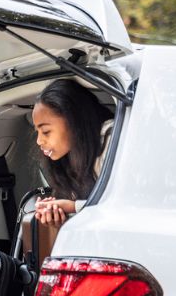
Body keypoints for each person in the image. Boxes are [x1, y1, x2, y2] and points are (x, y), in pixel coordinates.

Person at [31, 78, 114, 228]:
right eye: (37, 132)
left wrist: (73, 207)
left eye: (46, 131)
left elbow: (119, 207)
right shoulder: (69, 158)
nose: (39, 141)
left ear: (73, 119)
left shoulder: (111, 140)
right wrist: (59, 211)